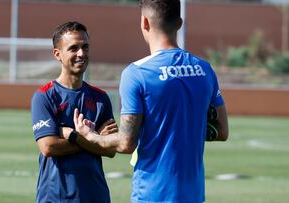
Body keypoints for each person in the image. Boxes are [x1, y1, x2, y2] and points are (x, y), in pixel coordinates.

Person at [72, 1, 229, 203]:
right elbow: (222, 131)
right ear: (179, 23)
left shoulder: (136, 73)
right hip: (194, 194)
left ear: (144, 22)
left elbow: (126, 142)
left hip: (152, 194)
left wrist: (91, 136)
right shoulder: (204, 69)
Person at [31, 21, 118, 203]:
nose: (81, 54)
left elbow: (110, 150)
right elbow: (48, 147)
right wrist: (95, 138)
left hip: (96, 196)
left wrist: (74, 136)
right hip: (56, 197)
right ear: (58, 54)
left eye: (85, 47)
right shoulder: (44, 96)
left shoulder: (101, 98)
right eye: (73, 48)